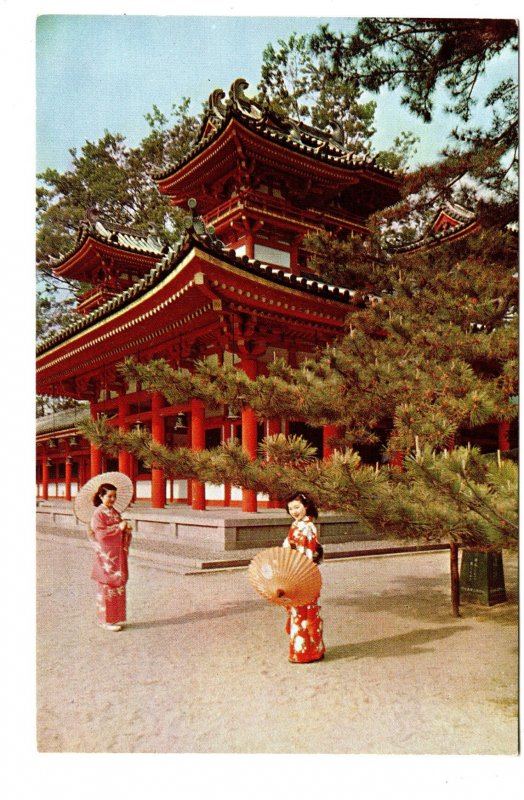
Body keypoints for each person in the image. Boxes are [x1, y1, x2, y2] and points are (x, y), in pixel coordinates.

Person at [282, 491, 325, 663]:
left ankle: (306, 652)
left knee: (304, 612)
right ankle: (308, 650)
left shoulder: (307, 527)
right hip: (297, 571)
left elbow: (306, 552)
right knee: (299, 612)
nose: (294, 511)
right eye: (291, 508)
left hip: (303, 573)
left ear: (306, 506)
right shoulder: (297, 525)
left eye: (297, 507)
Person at [88, 483, 132, 632]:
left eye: (114, 496)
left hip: (117, 554)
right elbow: (100, 535)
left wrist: (126, 529)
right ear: (101, 496)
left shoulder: (114, 512)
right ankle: (104, 620)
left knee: (118, 585)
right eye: (109, 496)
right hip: (106, 555)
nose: (112, 499)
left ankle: (115, 618)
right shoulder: (98, 513)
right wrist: (117, 528)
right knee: (107, 585)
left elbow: (120, 528)